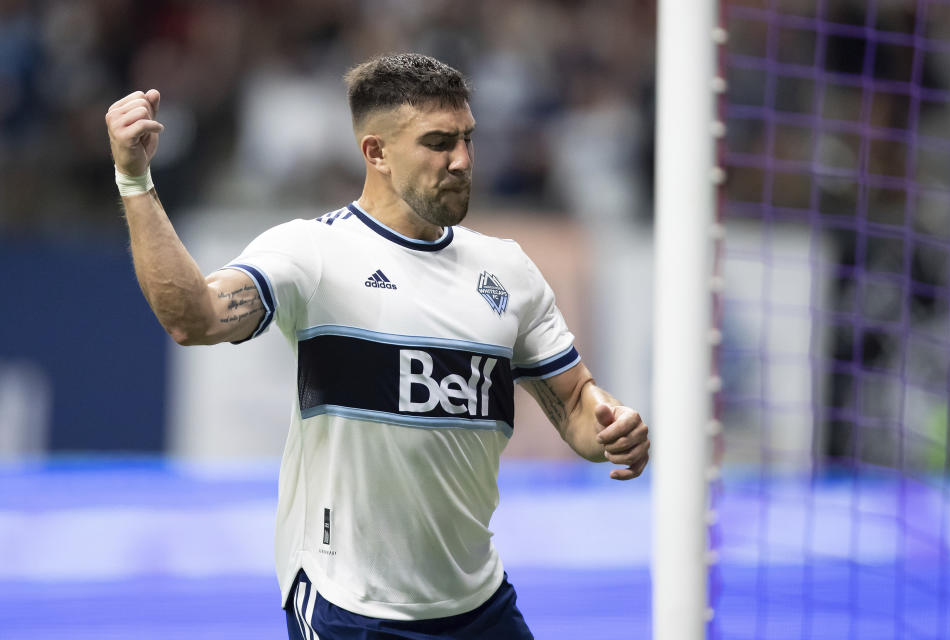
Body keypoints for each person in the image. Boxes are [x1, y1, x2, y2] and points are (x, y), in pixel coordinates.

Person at [105, 53, 650, 640]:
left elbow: (574, 406)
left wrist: (611, 426)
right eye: (438, 143)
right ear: (376, 153)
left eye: (468, 139)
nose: (462, 160)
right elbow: (196, 318)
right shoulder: (313, 254)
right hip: (351, 607)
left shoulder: (507, 270)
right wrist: (135, 180)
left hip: (480, 604)